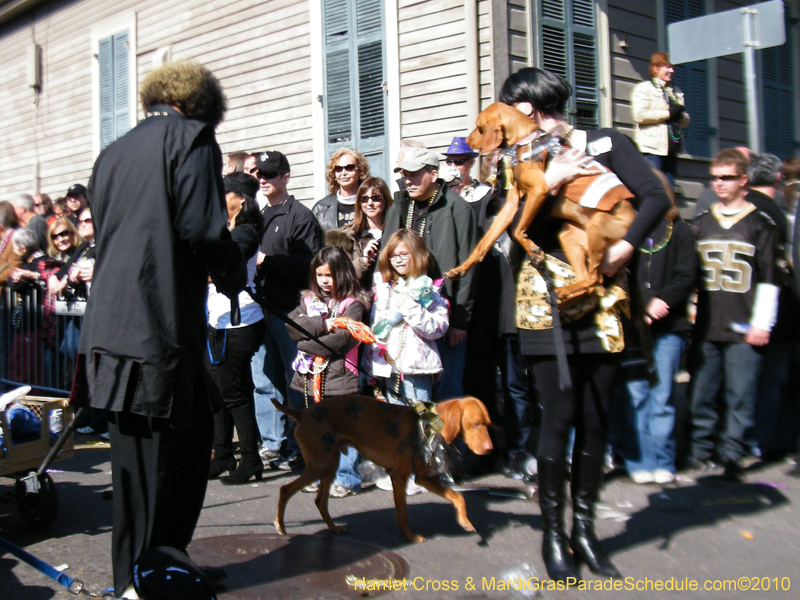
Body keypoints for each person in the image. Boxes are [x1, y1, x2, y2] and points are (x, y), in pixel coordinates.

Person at [71, 60, 246, 598]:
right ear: (199, 106)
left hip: (113, 327)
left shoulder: (111, 154)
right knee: (157, 467)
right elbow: (199, 228)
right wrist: (234, 265)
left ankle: (163, 566)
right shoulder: (192, 139)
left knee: (171, 458)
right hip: (157, 329)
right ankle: (139, 585)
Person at [499, 67, 671, 582]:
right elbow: (505, 233)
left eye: (510, 108)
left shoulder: (606, 142)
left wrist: (622, 249)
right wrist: (548, 182)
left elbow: (657, 198)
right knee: (557, 417)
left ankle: (586, 532)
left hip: (601, 302)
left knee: (596, 420)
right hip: (545, 304)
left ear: (529, 107)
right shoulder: (515, 159)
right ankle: (554, 536)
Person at [688, 149, 779, 482]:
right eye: (715, 177)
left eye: (726, 177)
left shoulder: (760, 224)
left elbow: (770, 278)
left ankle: (732, 456)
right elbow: (688, 276)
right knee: (702, 393)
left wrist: (762, 323)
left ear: (744, 180)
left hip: (744, 326)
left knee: (740, 396)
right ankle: (700, 451)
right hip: (706, 324)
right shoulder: (700, 223)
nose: (719, 184)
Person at [383, 146, 477, 401]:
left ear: (433, 174)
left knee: (447, 393)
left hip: (443, 318)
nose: (407, 179)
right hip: (404, 318)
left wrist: (459, 321)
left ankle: (446, 442)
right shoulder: (402, 205)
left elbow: (469, 267)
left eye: (414, 173)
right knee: (404, 392)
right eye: (404, 173)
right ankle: (411, 441)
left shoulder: (457, 208)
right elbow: (386, 256)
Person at [250, 150, 324, 470]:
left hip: (289, 312)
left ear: (286, 177)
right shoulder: (258, 217)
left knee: (295, 380)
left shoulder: (300, 216)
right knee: (264, 379)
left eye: (269, 174)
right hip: (258, 310)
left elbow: (307, 267)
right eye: (259, 175)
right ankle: (272, 443)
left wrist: (266, 261)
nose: (263, 179)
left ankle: (298, 444)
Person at [623, 172, 697, 484]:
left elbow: (686, 274)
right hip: (634, 325)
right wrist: (639, 307)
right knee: (636, 394)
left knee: (662, 395)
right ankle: (641, 461)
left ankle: (664, 460)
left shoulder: (679, 230)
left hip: (669, 326)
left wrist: (662, 301)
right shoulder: (626, 228)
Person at [288, 246, 367, 497]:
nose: (324, 281)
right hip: (310, 377)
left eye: (330, 275)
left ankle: (347, 478)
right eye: (320, 275)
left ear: (342, 274)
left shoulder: (353, 304)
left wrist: (304, 341)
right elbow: (292, 326)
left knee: (343, 428)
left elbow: (341, 340)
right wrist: (323, 324)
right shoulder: (308, 299)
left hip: (340, 376)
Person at [205, 172, 267, 485]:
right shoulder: (225, 228)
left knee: (235, 392)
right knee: (217, 393)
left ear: (240, 199)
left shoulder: (245, 231)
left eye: (224, 193)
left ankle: (251, 459)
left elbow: (230, 261)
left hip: (241, 321)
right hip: (217, 320)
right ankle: (223, 454)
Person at [632, 52, 691, 186]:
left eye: (672, 67)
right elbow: (640, 116)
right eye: (667, 67)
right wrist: (668, 114)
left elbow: (684, 121)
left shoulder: (676, 91)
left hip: (672, 148)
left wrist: (681, 115)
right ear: (656, 69)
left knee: (669, 189)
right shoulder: (644, 88)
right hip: (652, 150)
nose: (672, 71)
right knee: (655, 187)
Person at [334, 177, 393, 292]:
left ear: (386, 200)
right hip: (362, 301)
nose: (370, 203)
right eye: (364, 199)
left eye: (376, 198)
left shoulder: (396, 230)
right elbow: (341, 276)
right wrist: (364, 261)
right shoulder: (348, 236)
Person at [313, 148, 371, 232]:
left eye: (349, 167)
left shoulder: (373, 203)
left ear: (360, 171)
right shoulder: (320, 208)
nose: (343, 173)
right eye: (338, 169)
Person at [441, 136, 491, 206]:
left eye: (458, 161)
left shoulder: (483, 192)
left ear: (471, 163)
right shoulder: (441, 191)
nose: (453, 166)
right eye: (449, 161)